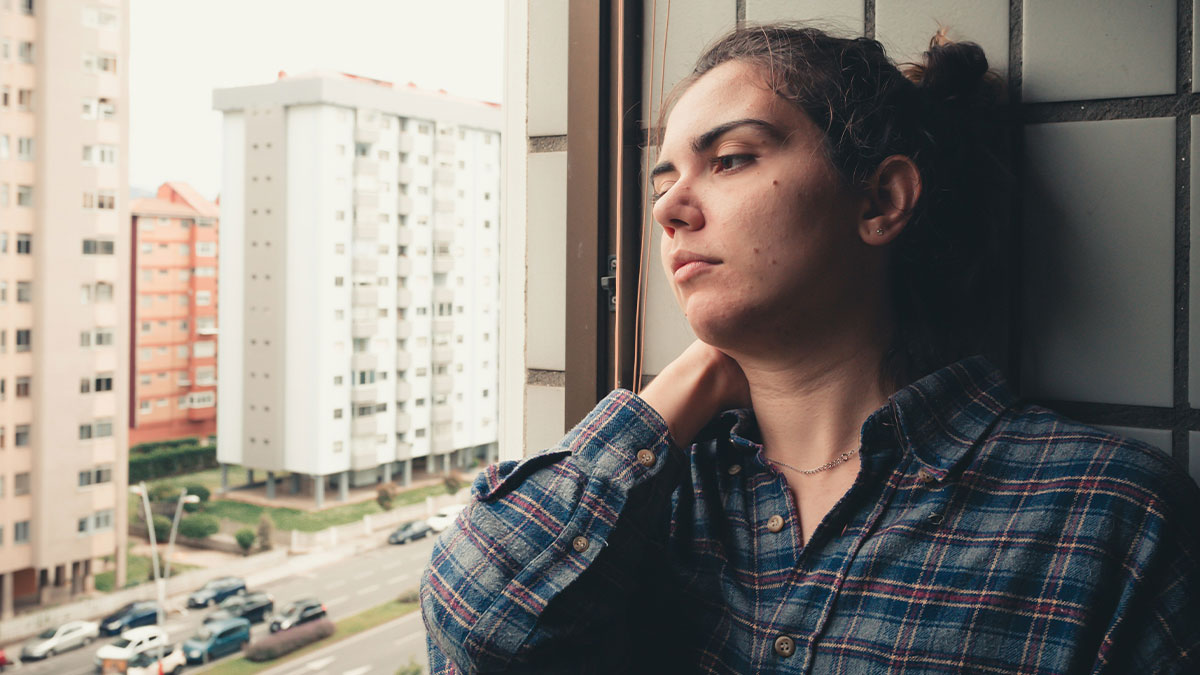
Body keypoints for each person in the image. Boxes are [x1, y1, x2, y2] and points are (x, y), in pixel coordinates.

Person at [421, 24, 1200, 673]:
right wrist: (685, 385)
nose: (670, 209)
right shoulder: (650, 496)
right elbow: (477, 631)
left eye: (730, 159)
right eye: (663, 182)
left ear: (880, 199)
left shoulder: (1105, 516)